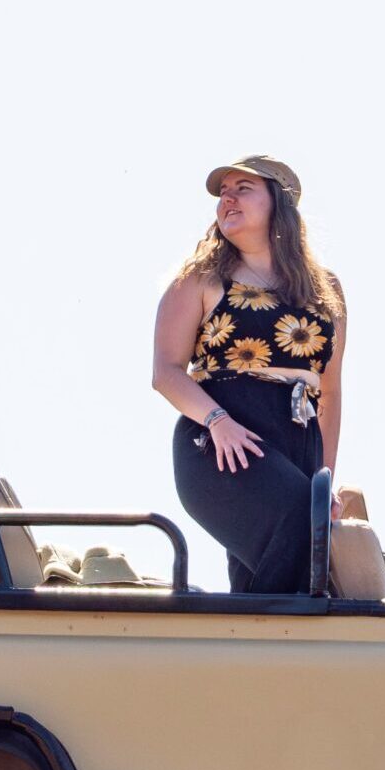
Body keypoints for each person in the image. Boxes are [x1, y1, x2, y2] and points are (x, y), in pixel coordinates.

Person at [150, 155, 347, 593]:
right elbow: (165, 372)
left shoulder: (325, 289)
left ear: (279, 202)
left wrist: (324, 479)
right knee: (302, 530)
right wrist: (217, 422)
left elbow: (330, 392)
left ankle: (258, 658)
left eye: (243, 188)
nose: (228, 199)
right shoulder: (200, 279)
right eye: (223, 193)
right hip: (222, 438)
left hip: (299, 435)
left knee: (271, 572)